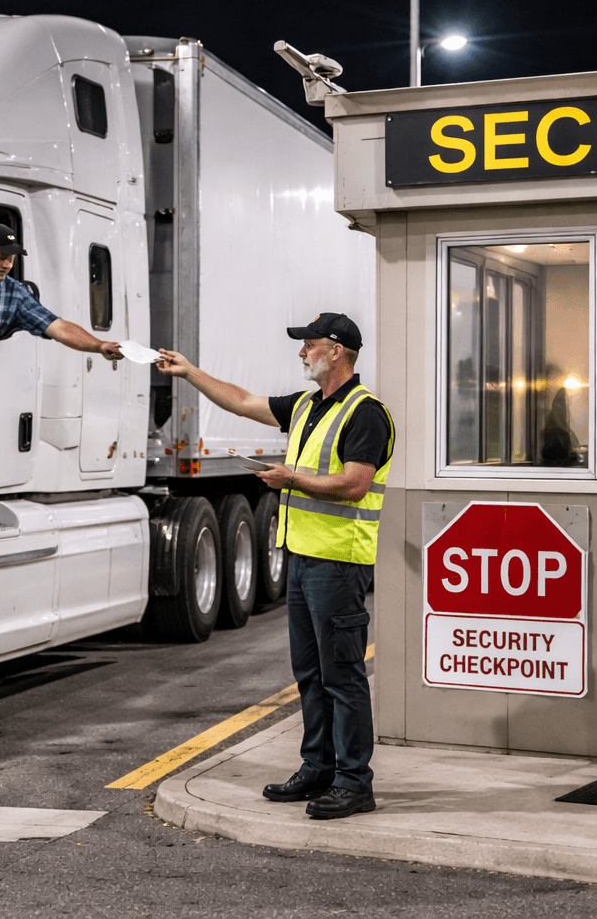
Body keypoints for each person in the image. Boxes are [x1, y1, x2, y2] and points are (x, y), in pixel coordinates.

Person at [156, 312, 392, 820]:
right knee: (310, 671)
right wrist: (190, 371)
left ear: (336, 351)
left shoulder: (366, 413)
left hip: (339, 562)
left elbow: (354, 484)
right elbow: (243, 402)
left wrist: (292, 479)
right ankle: (317, 768)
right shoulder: (308, 405)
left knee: (342, 675)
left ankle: (355, 782)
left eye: (308, 345)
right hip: (304, 559)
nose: (301, 353)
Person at [0, 222, 124, 360]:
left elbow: (58, 327)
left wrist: (98, 346)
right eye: (1, 257)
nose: (8, 265)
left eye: (12, 258)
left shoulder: (15, 295)